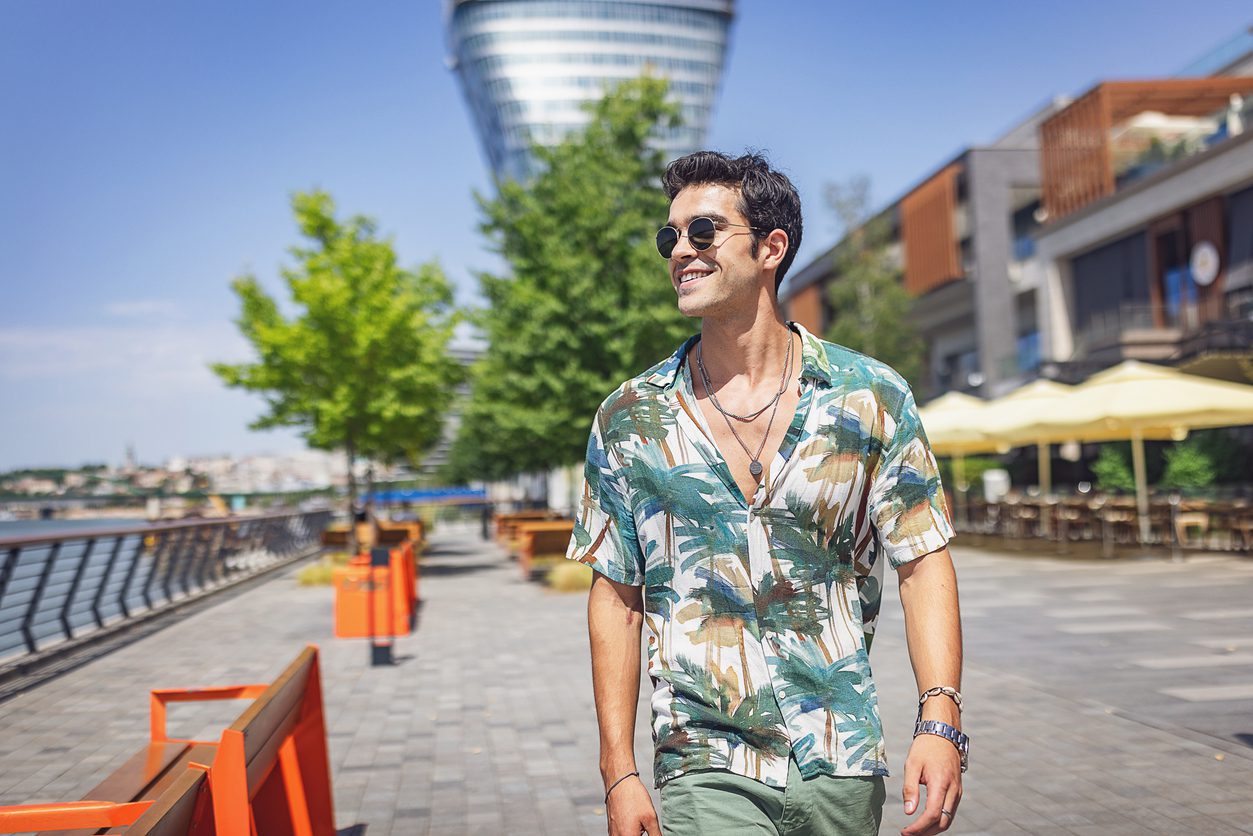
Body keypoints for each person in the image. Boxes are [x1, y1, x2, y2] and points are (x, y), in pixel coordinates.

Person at [566, 151, 966, 836]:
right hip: (704, 758)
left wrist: (940, 717)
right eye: (670, 237)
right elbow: (617, 599)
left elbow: (922, 559)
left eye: (702, 232)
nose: (680, 252)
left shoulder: (869, 396)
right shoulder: (629, 418)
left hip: (839, 753)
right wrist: (619, 772)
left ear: (770, 247)